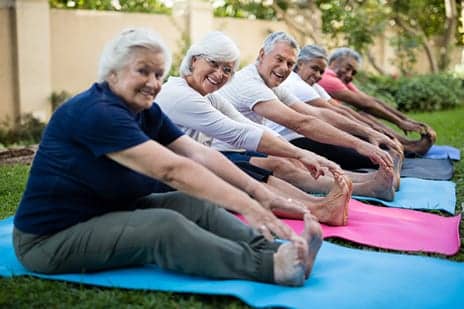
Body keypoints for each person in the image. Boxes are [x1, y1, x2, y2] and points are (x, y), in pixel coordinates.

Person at [12, 28, 323, 287]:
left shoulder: (145, 110)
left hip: (106, 209)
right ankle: (270, 267)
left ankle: (274, 251)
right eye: (143, 71)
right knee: (164, 226)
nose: (153, 82)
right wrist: (247, 205)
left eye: (159, 73)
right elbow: (173, 169)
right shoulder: (98, 112)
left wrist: (260, 194)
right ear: (113, 72)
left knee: (192, 204)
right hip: (49, 239)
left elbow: (197, 152)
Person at [156, 31, 351, 226]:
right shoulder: (181, 95)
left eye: (226, 70)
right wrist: (300, 154)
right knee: (231, 174)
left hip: (185, 168)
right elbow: (239, 134)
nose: (219, 74)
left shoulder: (206, 95)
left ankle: (318, 204)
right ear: (194, 61)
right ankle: (318, 210)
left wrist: (295, 152)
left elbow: (244, 123)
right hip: (162, 179)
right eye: (213, 63)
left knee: (241, 169)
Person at [218, 32, 397, 201]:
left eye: (289, 64)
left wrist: (368, 132)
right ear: (262, 54)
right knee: (283, 163)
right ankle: (367, 188)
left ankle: (370, 179)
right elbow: (301, 123)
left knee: (294, 158)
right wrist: (360, 142)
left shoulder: (271, 83)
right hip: (223, 152)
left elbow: (316, 113)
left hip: (248, 146)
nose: (284, 68)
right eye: (279, 59)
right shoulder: (249, 84)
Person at [281, 44, 404, 185]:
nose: (318, 75)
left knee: (379, 148)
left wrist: (373, 131)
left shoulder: (313, 86)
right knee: (379, 154)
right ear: (300, 64)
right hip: (296, 140)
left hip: (311, 133)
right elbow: (329, 113)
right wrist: (370, 133)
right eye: (314, 69)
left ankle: (386, 165)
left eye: (321, 71)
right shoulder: (296, 84)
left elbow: (343, 110)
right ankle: (380, 175)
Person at [318, 47, 436, 156]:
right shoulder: (327, 77)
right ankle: (403, 148)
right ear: (333, 62)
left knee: (362, 115)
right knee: (357, 117)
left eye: (353, 72)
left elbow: (370, 100)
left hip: (332, 120)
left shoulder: (340, 80)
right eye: (347, 68)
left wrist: (405, 119)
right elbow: (365, 105)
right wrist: (400, 122)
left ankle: (406, 144)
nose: (349, 74)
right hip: (324, 126)